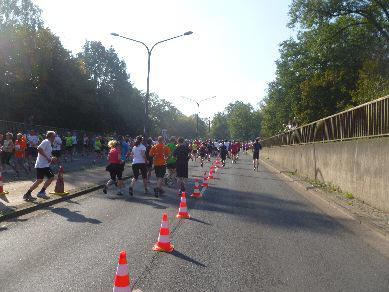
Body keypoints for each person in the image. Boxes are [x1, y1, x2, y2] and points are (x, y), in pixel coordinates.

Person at [23, 131, 57, 201]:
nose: (55, 138)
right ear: (51, 136)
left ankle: (27, 194)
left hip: (42, 164)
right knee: (51, 177)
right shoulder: (46, 141)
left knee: (39, 180)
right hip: (43, 165)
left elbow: (45, 152)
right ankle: (41, 192)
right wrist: (48, 158)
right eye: (54, 136)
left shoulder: (48, 143)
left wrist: (51, 157)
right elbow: (39, 149)